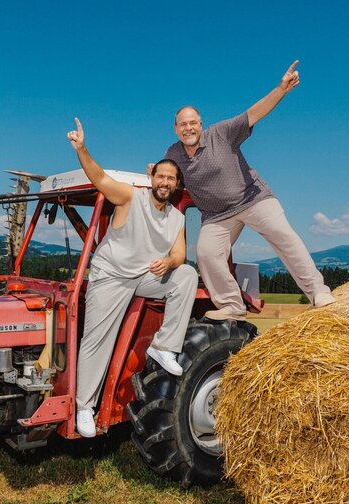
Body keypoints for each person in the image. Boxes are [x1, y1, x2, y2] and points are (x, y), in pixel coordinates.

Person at [161, 60, 334, 321]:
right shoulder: (173, 153)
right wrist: (153, 170)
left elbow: (255, 112)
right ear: (176, 129)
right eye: (183, 125)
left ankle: (318, 291)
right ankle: (232, 305)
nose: (189, 128)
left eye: (193, 123)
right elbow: (166, 177)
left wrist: (281, 89)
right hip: (217, 217)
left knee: (283, 235)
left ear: (201, 124)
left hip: (253, 199)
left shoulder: (221, 133)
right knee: (206, 253)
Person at [67, 117, 198, 438]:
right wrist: (82, 149)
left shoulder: (177, 218)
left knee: (186, 274)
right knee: (98, 339)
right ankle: (84, 407)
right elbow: (99, 178)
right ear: (151, 178)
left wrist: (169, 261)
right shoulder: (130, 197)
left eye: (171, 178)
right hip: (111, 276)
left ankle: (164, 347)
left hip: (143, 278)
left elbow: (180, 254)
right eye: (160, 176)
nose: (164, 182)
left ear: (176, 185)